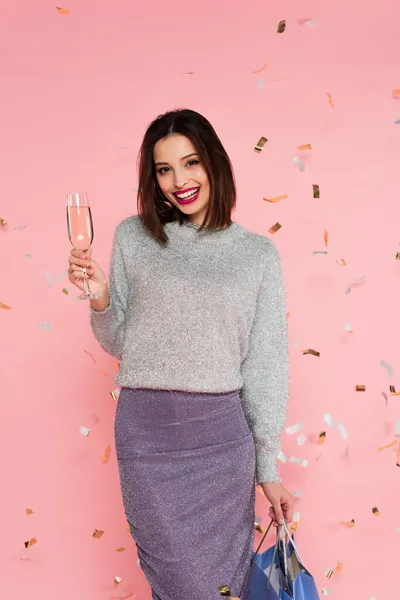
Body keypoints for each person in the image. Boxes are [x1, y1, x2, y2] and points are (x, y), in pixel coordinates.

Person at [67, 108, 294, 600]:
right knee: (183, 585)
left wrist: (268, 467)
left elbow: (266, 363)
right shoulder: (133, 236)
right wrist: (102, 297)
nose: (179, 181)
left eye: (190, 163)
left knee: (221, 590)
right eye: (163, 169)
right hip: (148, 440)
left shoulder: (256, 255)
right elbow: (121, 343)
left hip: (221, 445)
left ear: (214, 162)